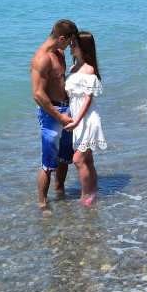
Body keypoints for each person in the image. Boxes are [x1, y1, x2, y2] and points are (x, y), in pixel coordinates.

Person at [31, 19, 79, 209]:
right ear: (61, 38)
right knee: (48, 163)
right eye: (69, 42)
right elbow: (38, 94)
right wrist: (59, 116)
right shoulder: (42, 58)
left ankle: (60, 191)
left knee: (65, 157)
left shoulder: (59, 53)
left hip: (66, 109)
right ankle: (42, 204)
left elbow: (62, 81)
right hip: (51, 114)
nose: (70, 46)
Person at [64, 31, 107, 206]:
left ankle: (85, 196)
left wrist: (76, 121)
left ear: (84, 48)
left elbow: (88, 100)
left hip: (88, 120)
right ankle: (93, 192)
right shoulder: (73, 68)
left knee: (78, 159)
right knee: (87, 159)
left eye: (74, 44)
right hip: (78, 119)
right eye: (71, 44)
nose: (71, 47)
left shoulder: (89, 70)